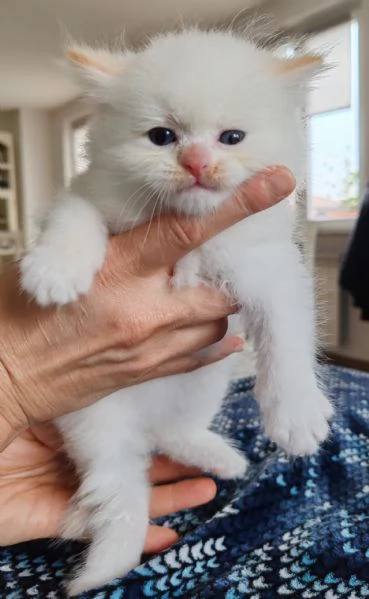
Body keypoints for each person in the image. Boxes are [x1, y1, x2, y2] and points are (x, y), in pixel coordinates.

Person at [0, 167, 295, 551]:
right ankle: (111, 481)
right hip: (85, 399)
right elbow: (79, 207)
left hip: (182, 373)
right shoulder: (106, 195)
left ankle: (181, 433)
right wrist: (11, 380)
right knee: (102, 431)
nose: (197, 164)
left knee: (213, 355)